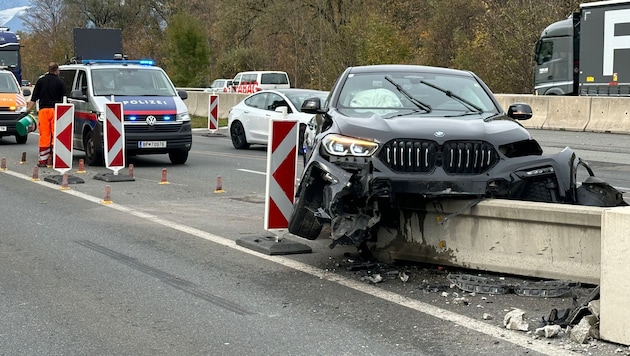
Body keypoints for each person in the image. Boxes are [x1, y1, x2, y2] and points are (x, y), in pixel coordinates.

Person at [26, 62, 65, 167]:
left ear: (48, 70)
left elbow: (33, 98)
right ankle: (53, 159)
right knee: (55, 135)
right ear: (57, 70)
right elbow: (64, 99)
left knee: (44, 136)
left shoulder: (40, 81)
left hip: (43, 111)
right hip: (55, 111)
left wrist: (27, 110)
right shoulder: (60, 82)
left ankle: (43, 160)